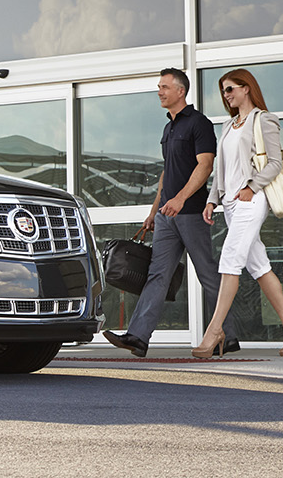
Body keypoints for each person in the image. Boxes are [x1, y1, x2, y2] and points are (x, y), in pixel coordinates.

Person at [104, 68, 238, 357]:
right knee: (157, 275)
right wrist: (155, 211)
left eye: (164, 87)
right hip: (167, 216)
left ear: (181, 91)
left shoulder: (199, 123)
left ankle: (228, 335)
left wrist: (180, 199)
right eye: (158, 87)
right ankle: (138, 337)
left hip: (191, 213)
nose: (159, 92)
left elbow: (205, 165)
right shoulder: (168, 129)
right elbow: (167, 173)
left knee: (207, 274)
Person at [192, 68, 283, 358]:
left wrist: (251, 188)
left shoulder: (263, 120)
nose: (226, 95)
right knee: (259, 267)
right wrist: (212, 200)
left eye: (231, 88)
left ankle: (215, 330)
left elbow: (275, 163)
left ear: (246, 88)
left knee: (230, 260)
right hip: (231, 203)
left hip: (251, 200)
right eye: (224, 91)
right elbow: (221, 169)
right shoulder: (228, 126)